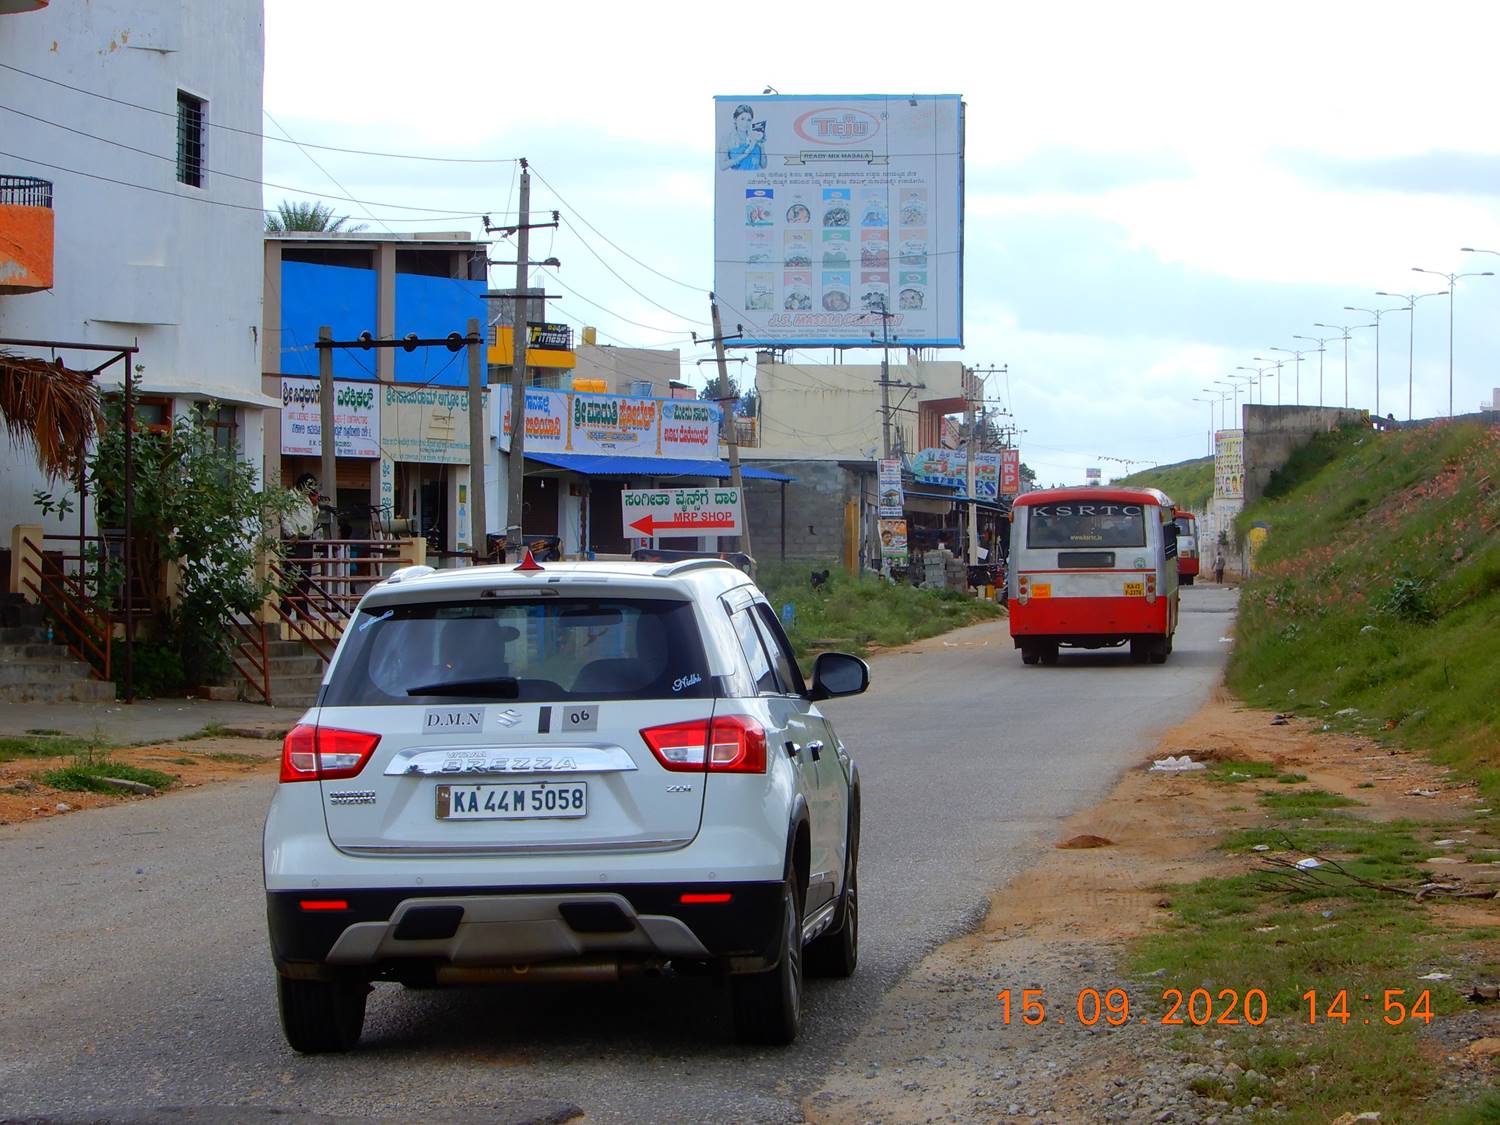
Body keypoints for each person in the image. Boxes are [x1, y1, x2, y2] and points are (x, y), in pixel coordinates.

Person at [719, 103, 766, 171]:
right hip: (738, 180)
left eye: (748, 120)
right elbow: (722, 166)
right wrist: (747, 152)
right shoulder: (727, 139)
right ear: (735, 119)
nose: (745, 123)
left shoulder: (754, 137)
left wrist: (762, 146)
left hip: (755, 180)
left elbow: (764, 165)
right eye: (742, 119)